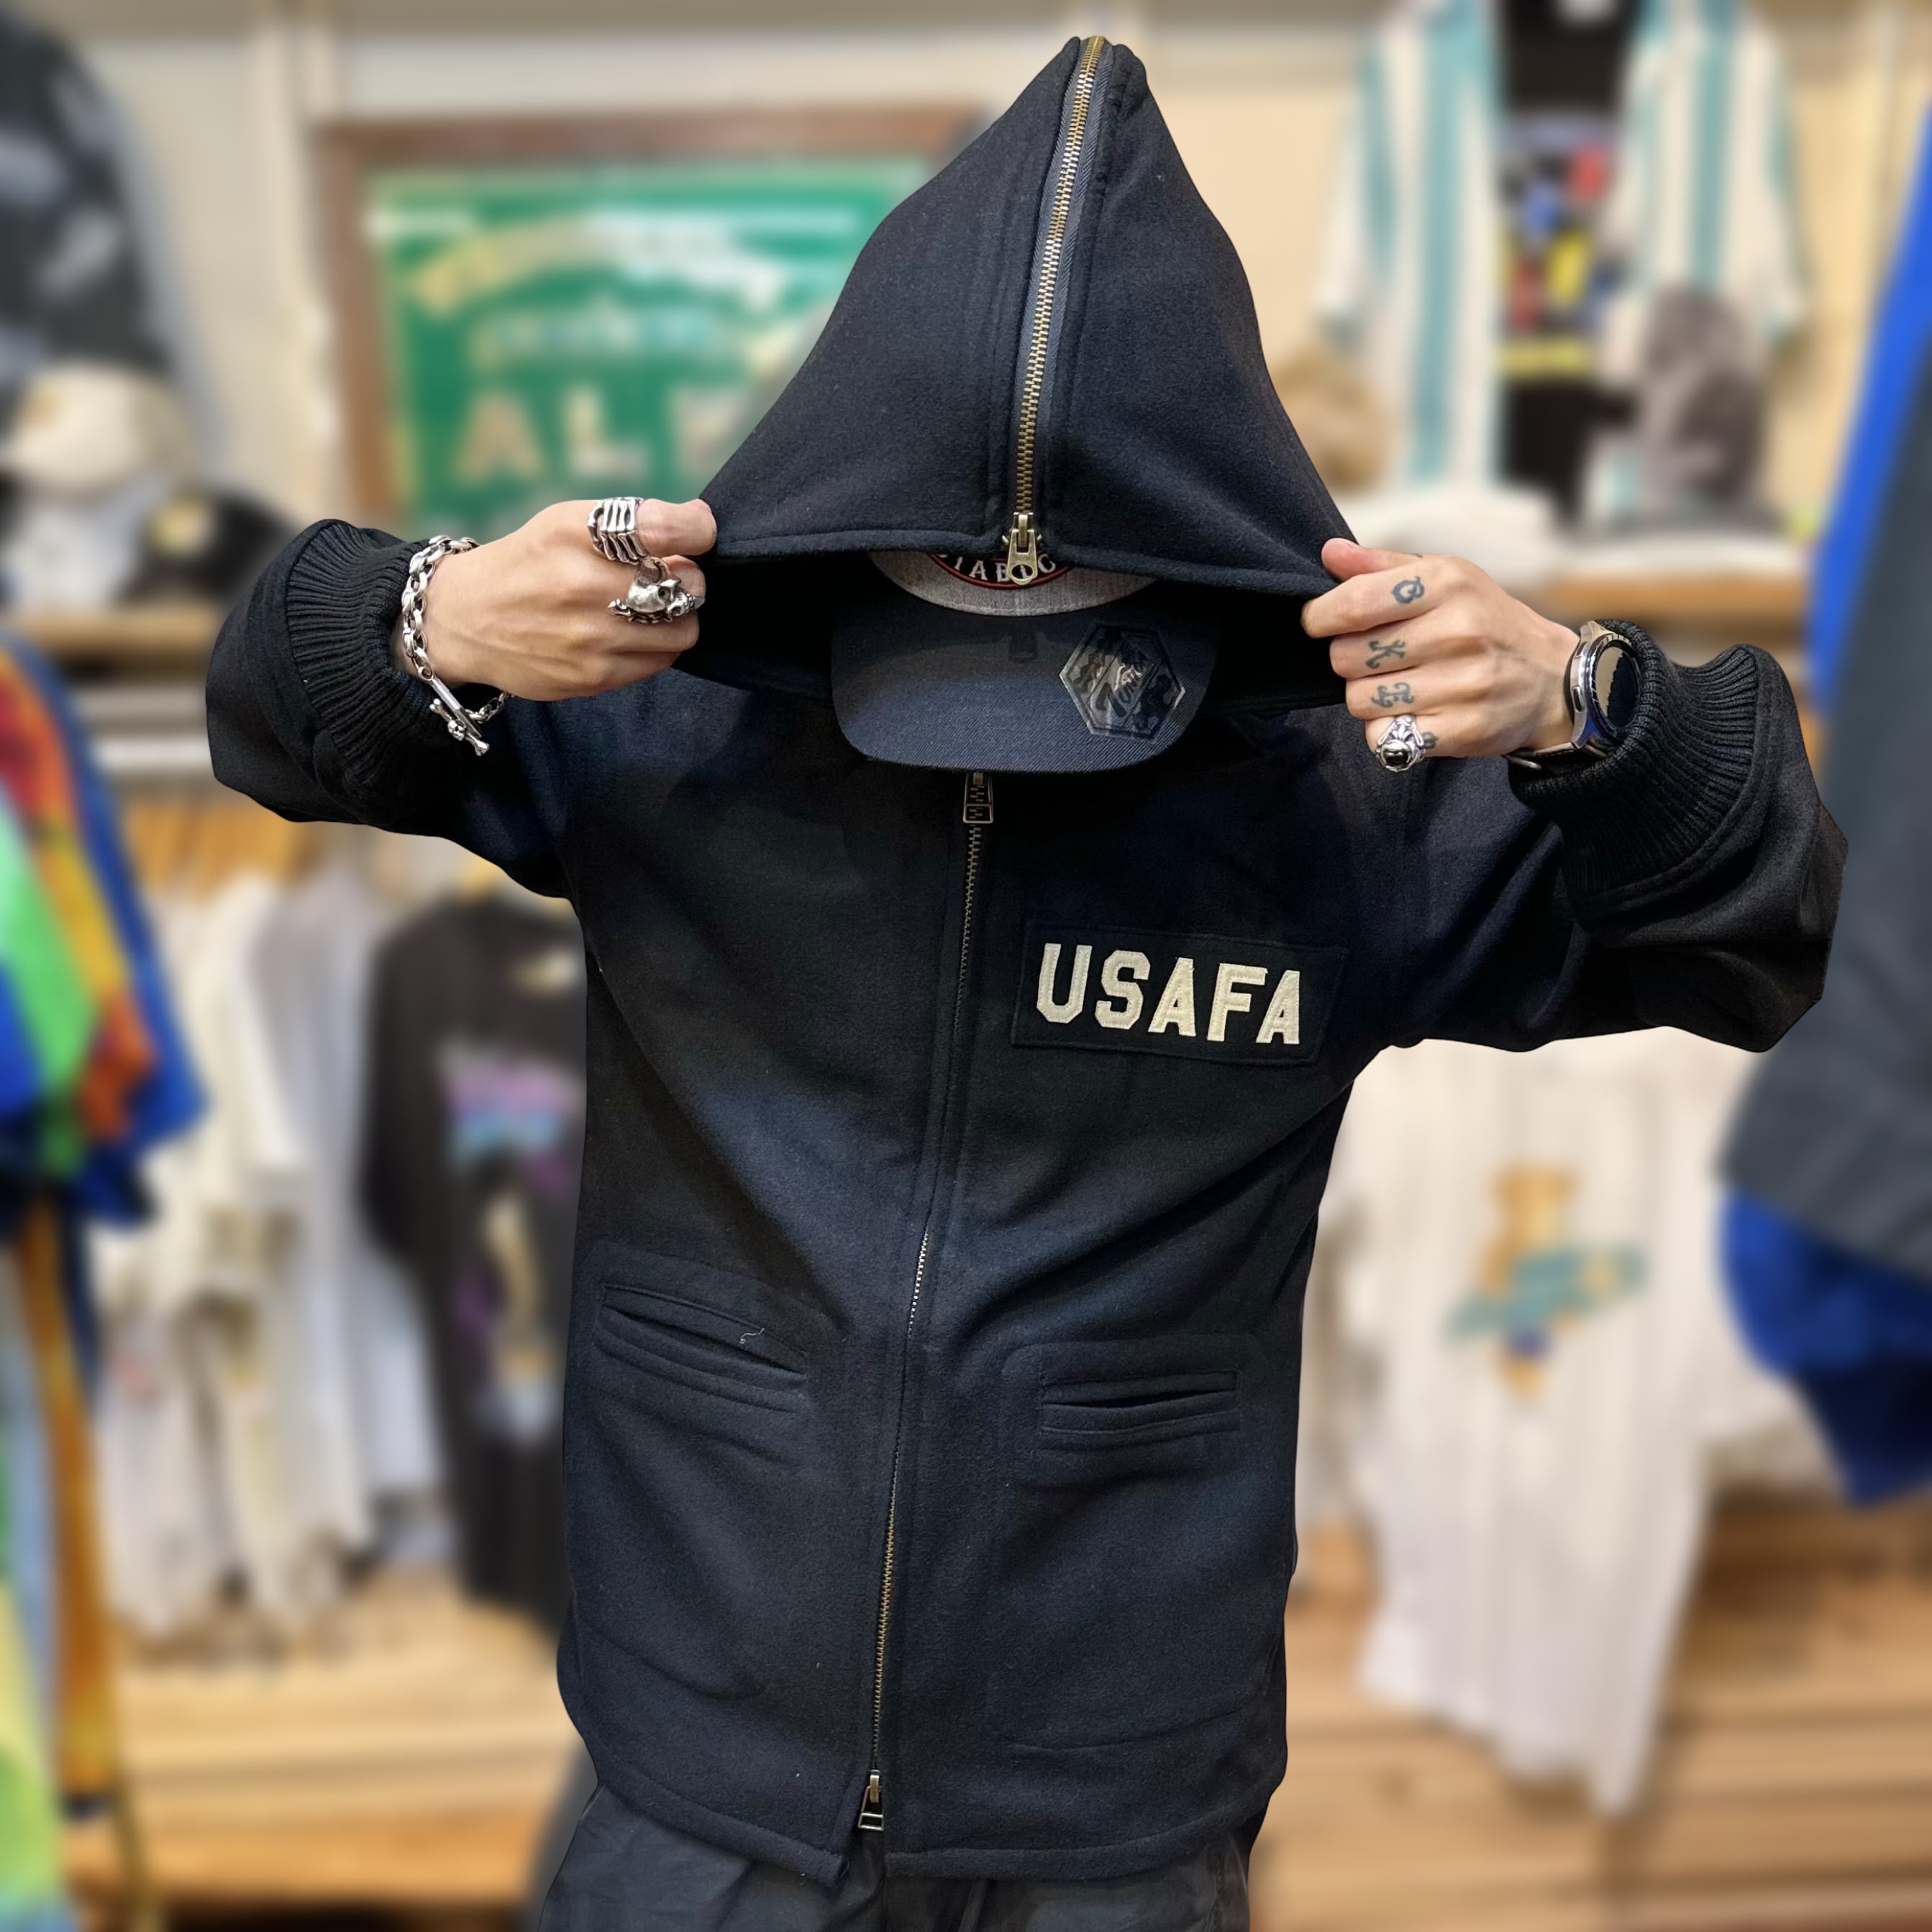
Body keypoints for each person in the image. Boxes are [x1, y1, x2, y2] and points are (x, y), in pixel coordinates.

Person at [206, 38, 1838, 1932]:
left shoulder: (1344, 807)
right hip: (699, 1760)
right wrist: (426, 614)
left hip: (1114, 1806)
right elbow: (270, 707)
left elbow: (1761, 934)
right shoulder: (662, 728)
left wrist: (1599, 708)